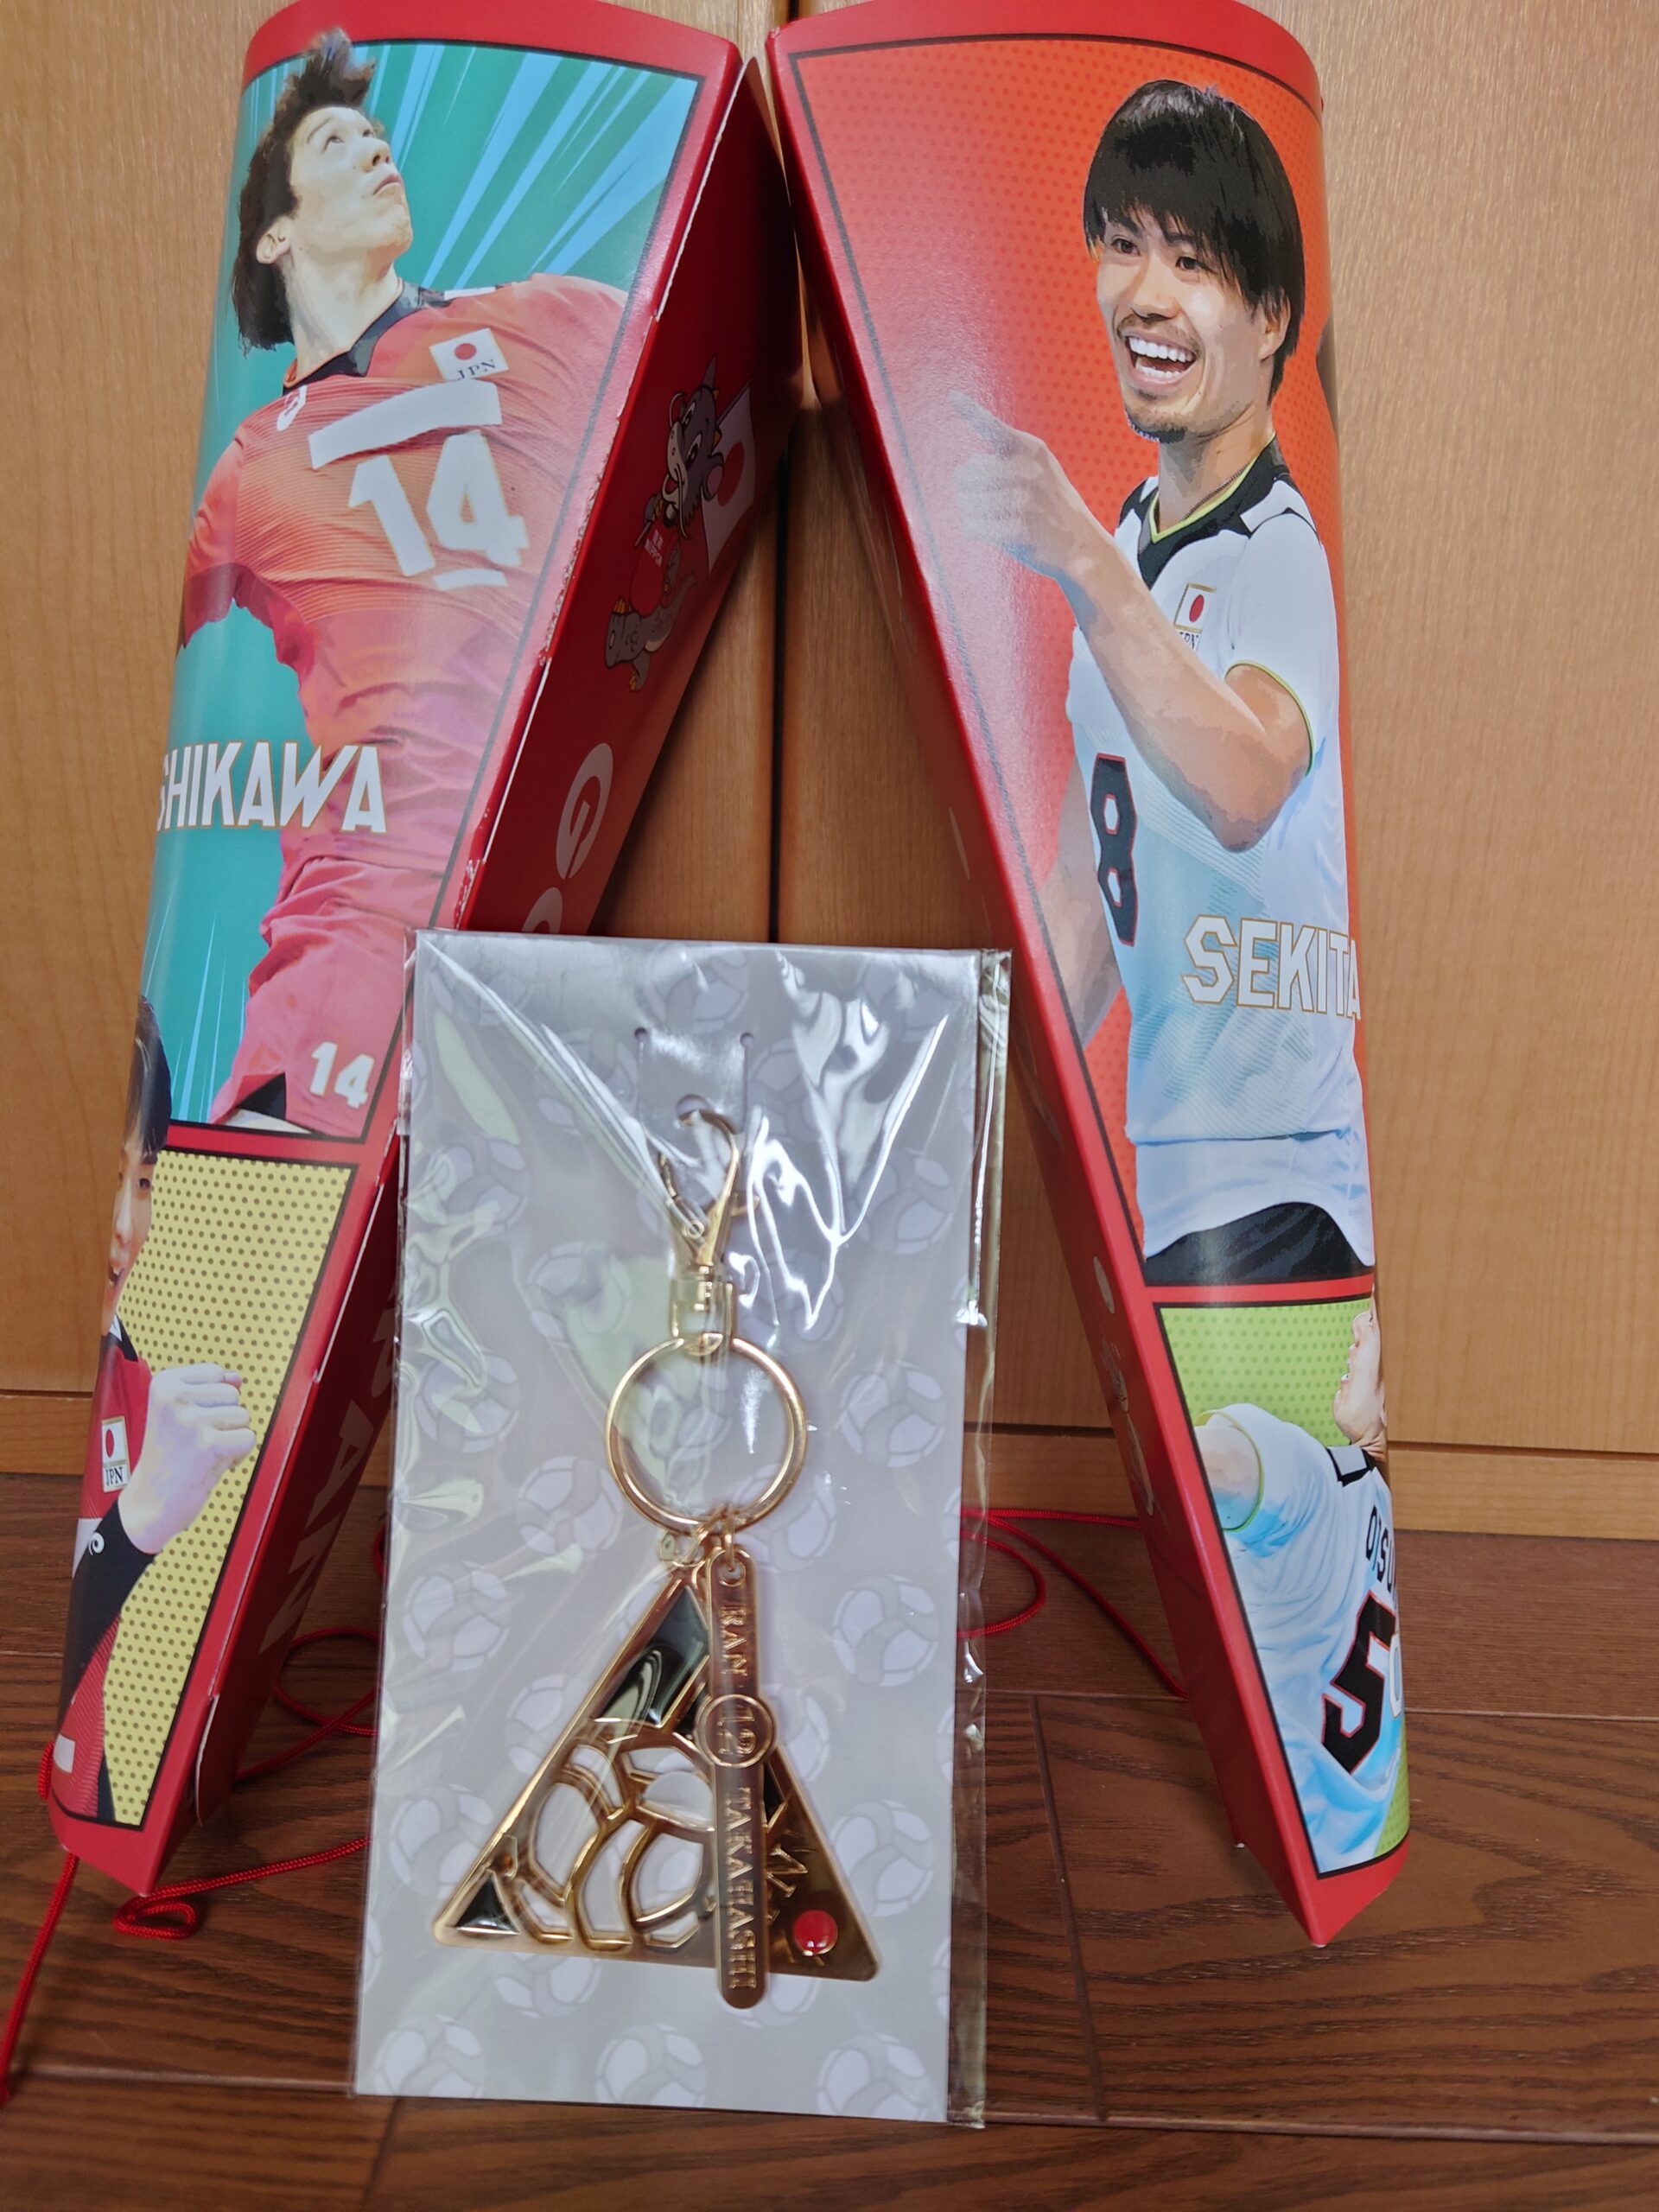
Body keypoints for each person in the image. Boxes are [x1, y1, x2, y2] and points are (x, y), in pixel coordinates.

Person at [954, 79, 1371, 1286]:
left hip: (1289, 1186)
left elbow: (1248, 784)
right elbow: (1090, 890)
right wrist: (968, 1101)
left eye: (1191, 262)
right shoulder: (1130, 544)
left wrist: (1081, 562)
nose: (1146, 294)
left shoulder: (1281, 545)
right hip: (1175, 1174)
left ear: (1272, 316)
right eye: (1124, 246)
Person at [181, 31, 624, 1135]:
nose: (378, 149)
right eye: (337, 143)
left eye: (378, 136)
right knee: (257, 1239)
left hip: (538, 930)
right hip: (356, 934)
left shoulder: (543, 321)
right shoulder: (249, 466)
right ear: (276, 235)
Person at [53, 1001, 255, 1823]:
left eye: (145, 1179)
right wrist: (134, 1524)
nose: (126, 1228)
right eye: (116, 1178)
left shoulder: (153, 1389)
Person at [1195, 1302, 1402, 1871]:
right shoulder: (1384, 1513)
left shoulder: (1317, 1479)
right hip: (1352, 1847)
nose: (1359, 1325)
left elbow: (1212, 1463)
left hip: (1283, 1831)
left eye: (1375, 1323)